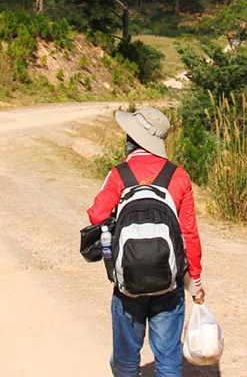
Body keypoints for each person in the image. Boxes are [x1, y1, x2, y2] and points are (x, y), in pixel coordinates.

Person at [87, 106, 205, 377]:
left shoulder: (119, 173)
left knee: (126, 359)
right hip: (169, 283)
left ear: (131, 139)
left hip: (128, 281)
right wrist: (195, 282)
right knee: (168, 358)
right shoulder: (179, 176)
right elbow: (189, 233)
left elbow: (96, 214)